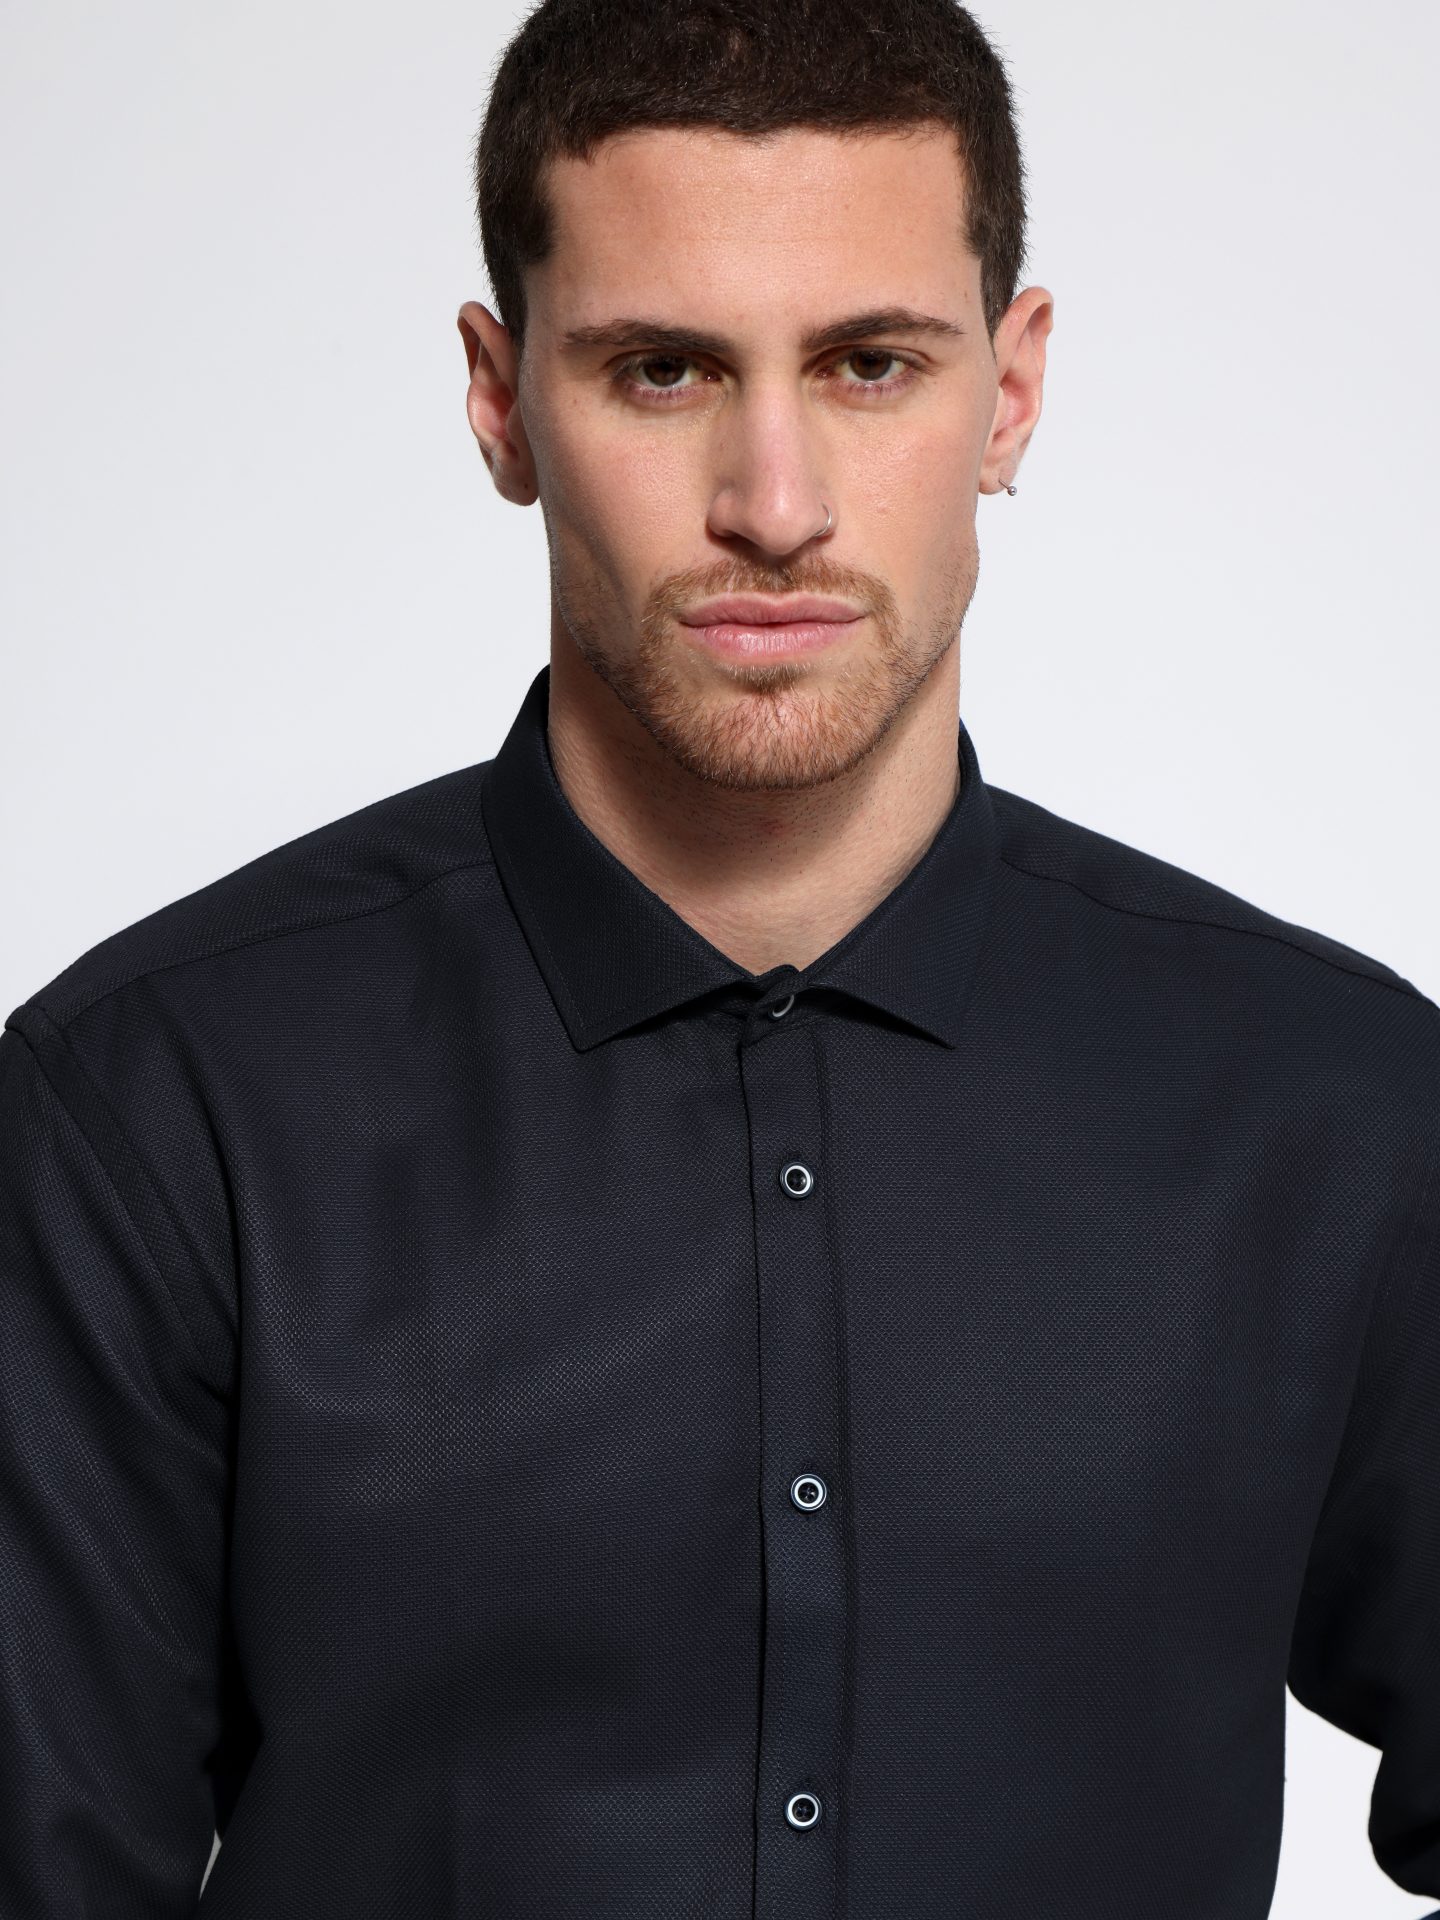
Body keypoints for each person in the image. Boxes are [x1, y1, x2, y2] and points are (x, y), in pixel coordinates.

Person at [2, 0, 1436, 1914]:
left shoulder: (1333, 1109)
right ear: (503, 404)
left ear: (1010, 394)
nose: (775, 506)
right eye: (664, 370)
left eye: (869, 364)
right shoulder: (153, 1114)